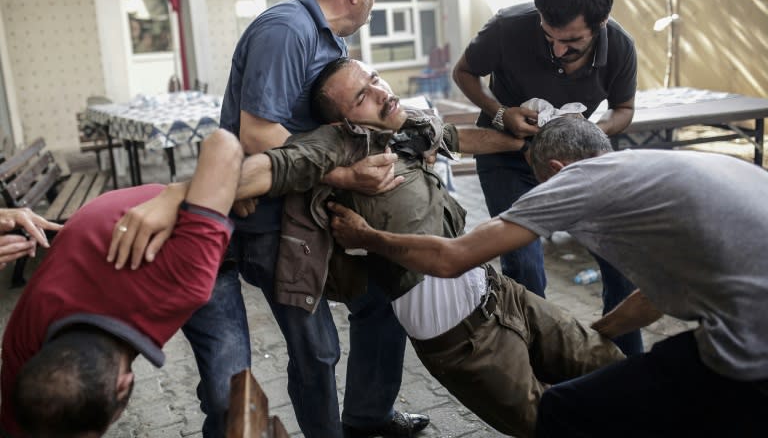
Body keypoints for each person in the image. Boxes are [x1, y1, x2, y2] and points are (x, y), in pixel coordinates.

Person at [111, 59, 625, 438]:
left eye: (373, 79)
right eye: (361, 96)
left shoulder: (410, 124)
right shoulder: (337, 145)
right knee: (554, 425)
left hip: (500, 292)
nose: (379, 93)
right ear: (342, 119)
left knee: (610, 362)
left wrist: (526, 141)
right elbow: (266, 168)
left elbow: (459, 139)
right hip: (464, 342)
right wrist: (180, 194)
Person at [328, 116, 768, 437]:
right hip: (749, 330)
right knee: (623, 385)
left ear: (556, 172)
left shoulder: (579, 181)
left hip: (752, 349)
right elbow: (653, 297)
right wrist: (595, 332)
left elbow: (452, 259)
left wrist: (367, 236)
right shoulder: (646, 171)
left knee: (560, 412)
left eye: (539, 185)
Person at [170, 0, 425, 438]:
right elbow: (259, 135)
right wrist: (346, 176)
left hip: (310, 207)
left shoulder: (327, 38)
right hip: (271, 221)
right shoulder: (287, 29)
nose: (372, 5)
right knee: (317, 348)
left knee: (380, 302)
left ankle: (367, 418)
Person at [453, 0, 642, 355]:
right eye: (549, 35)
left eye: (571, 41)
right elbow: (465, 72)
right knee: (524, 268)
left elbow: (623, 109)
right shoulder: (506, 27)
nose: (558, 49)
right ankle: (536, 365)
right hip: (508, 154)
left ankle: (625, 365)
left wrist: (590, 131)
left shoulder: (621, 45)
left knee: (623, 261)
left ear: (601, 23)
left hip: (579, 159)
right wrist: (501, 111)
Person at [0, 129, 242, 437]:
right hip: (100, 234)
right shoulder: (22, 346)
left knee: (226, 393)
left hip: (178, 237)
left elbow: (223, 144)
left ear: (124, 383)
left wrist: (177, 193)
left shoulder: (184, 279)